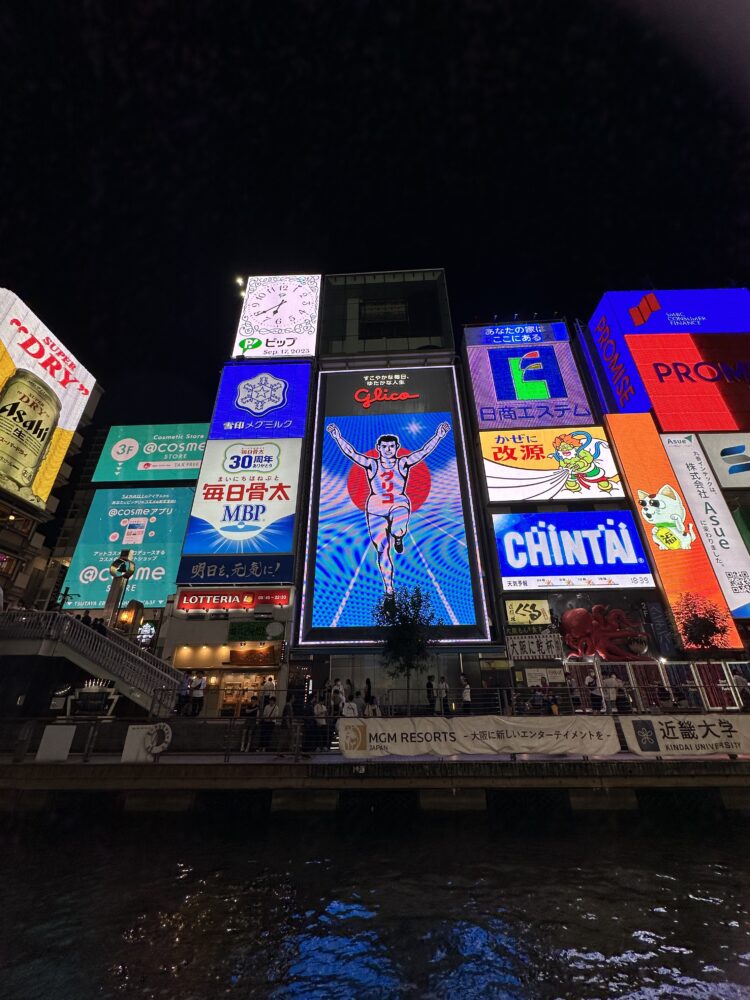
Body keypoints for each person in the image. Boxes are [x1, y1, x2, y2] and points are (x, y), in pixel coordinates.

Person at [326, 420, 450, 594]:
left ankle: (398, 536)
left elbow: (423, 452)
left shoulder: (403, 463)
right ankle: (389, 588)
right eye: (385, 446)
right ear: (379, 448)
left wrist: (438, 436)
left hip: (398, 503)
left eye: (392, 446)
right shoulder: (372, 464)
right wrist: (337, 437)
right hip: (375, 508)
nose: (388, 449)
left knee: (398, 528)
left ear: (397, 447)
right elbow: (352, 453)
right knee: (382, 549)